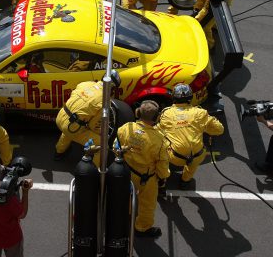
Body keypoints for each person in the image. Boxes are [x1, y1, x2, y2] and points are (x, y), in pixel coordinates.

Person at [115, 100, 170, 238]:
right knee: (147, 204)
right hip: (147, 177)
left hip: (126, 171)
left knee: (124, 195)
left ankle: (126, 214)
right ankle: (142, 227)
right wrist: (163, 177)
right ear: (156, 118)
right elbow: (162, 164)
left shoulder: (126, 128)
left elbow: (116, 147)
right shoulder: (159, 139)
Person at [157, 83, 224, 189]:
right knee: (192, 165)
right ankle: (185, 182)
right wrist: (205, 128)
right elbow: (219, 129)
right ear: (190, 98)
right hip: (197, 155)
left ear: (174, 98)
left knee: (159, 151)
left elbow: (158, 132)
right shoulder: (200, 112)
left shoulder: (167, 113)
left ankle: (162, 181)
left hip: (174, 157)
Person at [54, 70, 121, 167]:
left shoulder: (85, 84)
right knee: (102, 144)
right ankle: (94, 169)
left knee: (71, 127)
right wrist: (103, 134)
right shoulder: (104, 100)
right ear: (113, 88)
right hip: (71, 127)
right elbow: (93, 126)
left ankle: (59, 152)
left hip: (60, 117)